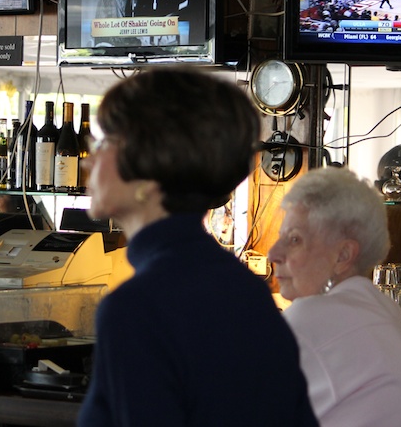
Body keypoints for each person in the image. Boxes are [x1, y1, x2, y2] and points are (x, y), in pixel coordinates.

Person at [77, 68, 317, 427]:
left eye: (103, 142)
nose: (87, 160)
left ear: (148, 168)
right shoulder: (245, 288)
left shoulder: (137, 308)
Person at [268, 166, 401, 427]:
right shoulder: (384, 310)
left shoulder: (312, 319)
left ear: (343, 256)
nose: (273, 253)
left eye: (294, 240)